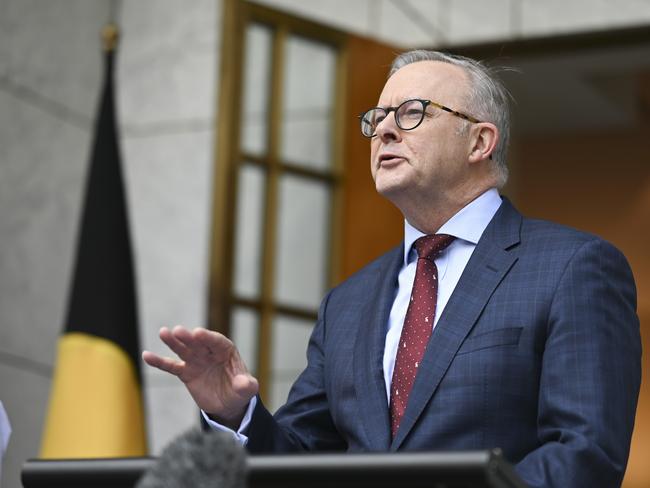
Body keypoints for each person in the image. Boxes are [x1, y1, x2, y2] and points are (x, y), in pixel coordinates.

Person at [143, 50, 641, 487]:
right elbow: (302, 465)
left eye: (411, 113)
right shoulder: (347, 303)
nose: (382, 129)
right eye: (378, 117)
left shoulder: (573, 267)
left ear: (479, 142)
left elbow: (584, 457)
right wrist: (236, 413)